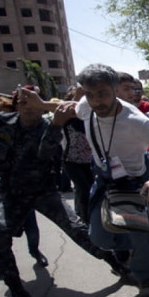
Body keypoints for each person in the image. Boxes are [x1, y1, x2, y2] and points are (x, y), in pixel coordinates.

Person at [0, 85, 134, 297]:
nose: (26, 106)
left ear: (40, 104)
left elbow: (44, 154)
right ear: (16, 105)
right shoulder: (2, 121)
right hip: (13, 195)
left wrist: (55, 125)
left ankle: (116, 263)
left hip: (44, 192)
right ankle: (18, 294)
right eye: (21, 101)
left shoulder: (48, 126)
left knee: (78, 229)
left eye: (32, 101)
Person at [34, 64, 149, 297]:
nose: (96, 101)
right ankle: (136, 241)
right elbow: (69, 107)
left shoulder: (136, 120)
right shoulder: (86, 105)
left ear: (115, 90)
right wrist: (40, 104)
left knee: (139, 233)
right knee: (98, 236)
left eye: (102, 94)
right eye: (90, 94)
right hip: (104, 179)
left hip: (135, 182)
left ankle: (144, 275)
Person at [0, 94, 48, 267]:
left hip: (22, 188)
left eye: (9, 113)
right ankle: (10, 271)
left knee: (31, 226)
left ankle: (35, 251)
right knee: (3, 233)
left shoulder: (20, 130)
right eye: (0, 114)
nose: (6, 118)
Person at [60, 85, 94, 224]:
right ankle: (86, 222)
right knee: (84, 189)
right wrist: (77, 97)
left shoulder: (87, 116)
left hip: (89, 160)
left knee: (91, 190)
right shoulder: (67, 117)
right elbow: (68, 111)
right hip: (72, 161)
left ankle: (85, 215)